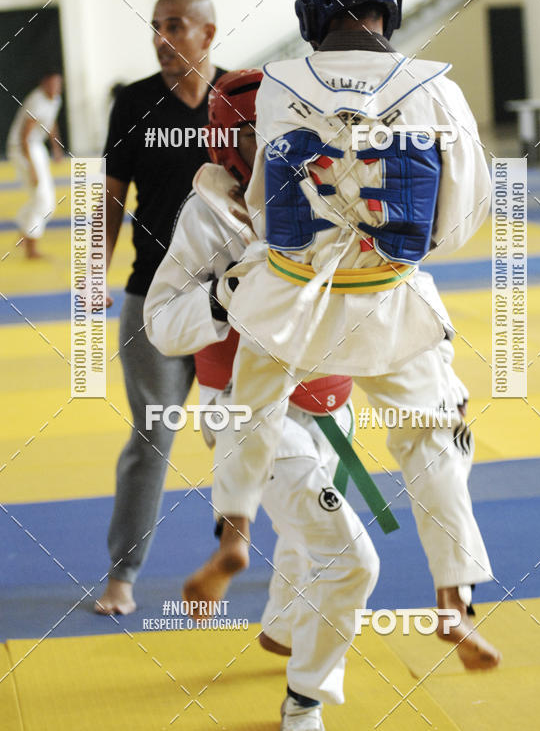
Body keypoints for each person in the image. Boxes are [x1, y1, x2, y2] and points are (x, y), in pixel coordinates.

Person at [187, 0, 494, 701]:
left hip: (291, 302)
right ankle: (454, 593)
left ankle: (235, 526)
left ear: (307, 12)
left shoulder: (280, 88)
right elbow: (458, 221)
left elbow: (261, 202)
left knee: (250, 409)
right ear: (389, 5)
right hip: (390, 305)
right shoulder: (437, 87)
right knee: (434, 426)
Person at [144, 69, 380, 730]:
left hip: (332, 400)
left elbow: (385, 291)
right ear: (228, 141)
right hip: (250, 410)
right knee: (351, 558)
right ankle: (306, 697)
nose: (280, 140)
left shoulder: (339, 190)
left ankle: (281, 628)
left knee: (307, 538)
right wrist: (221, 297)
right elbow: (161, 322)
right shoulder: (207, 215)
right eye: (260, 129)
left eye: (291, 124)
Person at [95, 0, 226, 615]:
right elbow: (113, 196)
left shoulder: (242, 98)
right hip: (153, 299)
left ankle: (235, 549)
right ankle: (123, 574)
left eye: (174, 24)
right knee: (153, 436)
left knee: (241, 433)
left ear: (207, 31)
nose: (161, 37)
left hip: (233, 303)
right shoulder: (134, 102)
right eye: (155, 26)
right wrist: (93, 273)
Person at [7, 73, 63, 258]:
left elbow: (51, 123)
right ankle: (30, 245)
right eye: (52, 83)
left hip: (36, 147)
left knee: (42, 200)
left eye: (58, 83)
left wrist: (56, 147)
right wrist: (32, 169)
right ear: (43, 83)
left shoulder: (55, 100)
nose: (55, 87)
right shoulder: (36, 101)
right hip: (23, 148)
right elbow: (24, 137)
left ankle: (25, 232)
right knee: (44, 200)